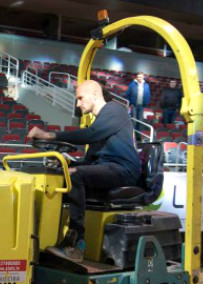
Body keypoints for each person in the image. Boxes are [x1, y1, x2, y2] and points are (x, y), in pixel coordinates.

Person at [28, 80, 141, 262]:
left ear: (95, 94)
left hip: (124, 169)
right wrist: (67, 162)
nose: (78, 104)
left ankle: (76, 243)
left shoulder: (115, 110)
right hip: (107, 168)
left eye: (80, 98)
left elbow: (90, 134)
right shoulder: (102, 124)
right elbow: (91, 161)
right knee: (62, 175)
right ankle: (45, 236)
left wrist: (49, 135)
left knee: (75, 175)